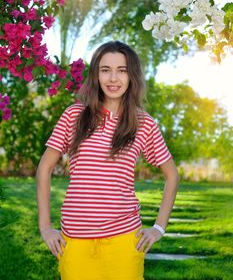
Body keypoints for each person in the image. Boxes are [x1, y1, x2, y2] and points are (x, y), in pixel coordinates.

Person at [36, 40, 179, 280]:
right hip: (75, 239)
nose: (113, 78)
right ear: (96, 75)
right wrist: (45, 227)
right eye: (105, 70)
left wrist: (158, 228)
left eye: (121, 70)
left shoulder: (144, 123)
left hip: (124, 240)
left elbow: (172, 175)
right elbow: (45, 168)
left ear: (131, 75)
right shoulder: (74, 115)